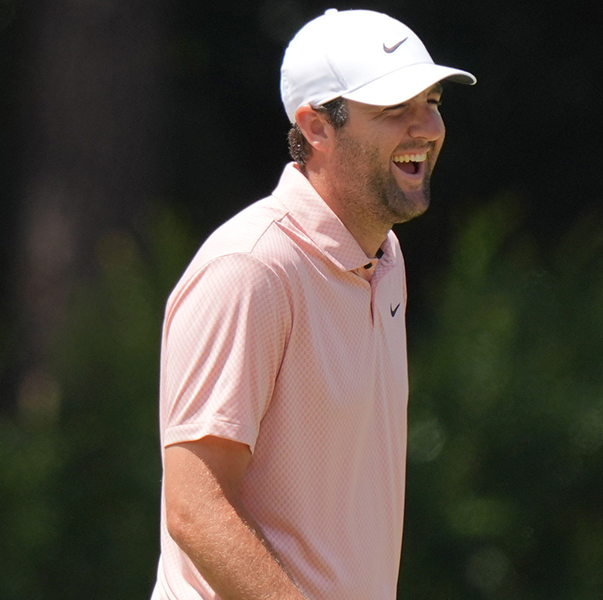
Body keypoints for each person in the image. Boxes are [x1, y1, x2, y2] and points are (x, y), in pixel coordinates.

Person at [151, 9, 475, 599]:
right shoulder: (249, 269)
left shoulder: (387, 258)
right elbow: (196, 508)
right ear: (317, 127)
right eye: (394, 108)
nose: (426, 126)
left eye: (431, 101)